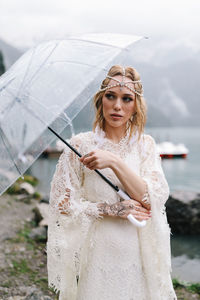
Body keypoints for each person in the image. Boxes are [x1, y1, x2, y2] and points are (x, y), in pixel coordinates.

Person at [47, 65, 177, 300]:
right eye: (111, 96)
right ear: (101, 100)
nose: (117, 106)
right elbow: (62, 204)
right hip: (99, 257)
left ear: (135, 106)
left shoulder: (145, 145)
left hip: (138, 257)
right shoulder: (79, 146)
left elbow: (153, 198)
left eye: (126, 99)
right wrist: (109, 209)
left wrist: (114, 161)